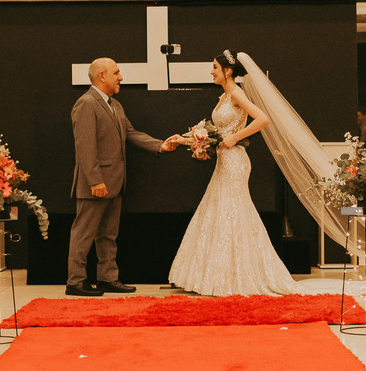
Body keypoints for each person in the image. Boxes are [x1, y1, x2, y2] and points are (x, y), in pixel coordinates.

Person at [168, 51, 297, 295]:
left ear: (227, 71)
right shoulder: (224, 97)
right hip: (224, 160)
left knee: (233, 211)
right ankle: (221, 275)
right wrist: (184, 140)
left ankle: (238, 275)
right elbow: (213, 134)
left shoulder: (237, 93)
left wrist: (236, 137)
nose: (212, 71)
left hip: (235, 161)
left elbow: (263, 119)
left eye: (215, 67)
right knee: (220, 211)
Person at [67, 57, 181, 296]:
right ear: (101, 76)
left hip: (115, 183)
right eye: (116, 73)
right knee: (83, 233)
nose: (121, 77)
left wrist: (161, 146)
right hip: (96, 184)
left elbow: (131, 133)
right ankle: (75, 281)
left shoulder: (115, 105)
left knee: (108, 235)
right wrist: (95, 180)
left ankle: (107, 278)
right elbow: (85, 147)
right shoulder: (86, 103)